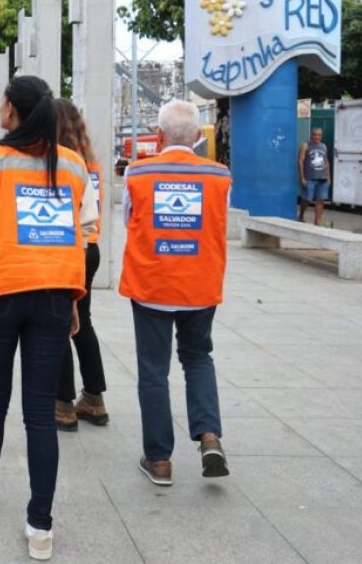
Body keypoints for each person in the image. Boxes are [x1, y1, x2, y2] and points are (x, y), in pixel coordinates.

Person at [0, 76, 98, 562]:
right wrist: (73, 299)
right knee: (40, 415)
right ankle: (40, 527)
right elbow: (79, 236)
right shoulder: (74, 166)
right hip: (54, 296)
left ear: (11, 109)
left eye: (2, 100)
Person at [119, 99, 231, 488]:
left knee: (154, 370)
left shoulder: (137, 172)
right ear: (198, 138)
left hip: (151, 285)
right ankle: (209, 436)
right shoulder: (220, 176)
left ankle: (160, 460)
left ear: (160, 135)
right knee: (198, 357)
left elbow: (128, 221)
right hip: (200, 286)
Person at [53, 98, 109, 432]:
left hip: (66, 249)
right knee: (82, 322)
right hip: (92, 249)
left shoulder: (58, 167)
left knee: (58, 322)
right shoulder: (91, 166)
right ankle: (93, 399)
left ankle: (62, 406)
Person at [298, 128, 330, 225]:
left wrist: (329, 177)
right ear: (311, 135)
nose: (317, 137)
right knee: (307, 199)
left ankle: (317, 222)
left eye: (319, 135)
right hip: (310, 177)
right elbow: (300, 161)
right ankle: (301, 215)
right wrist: (302, 177)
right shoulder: (305, 146)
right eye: (315, 135)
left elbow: (326, 162)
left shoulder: (323, 146)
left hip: (322, 178)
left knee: (320, 200)